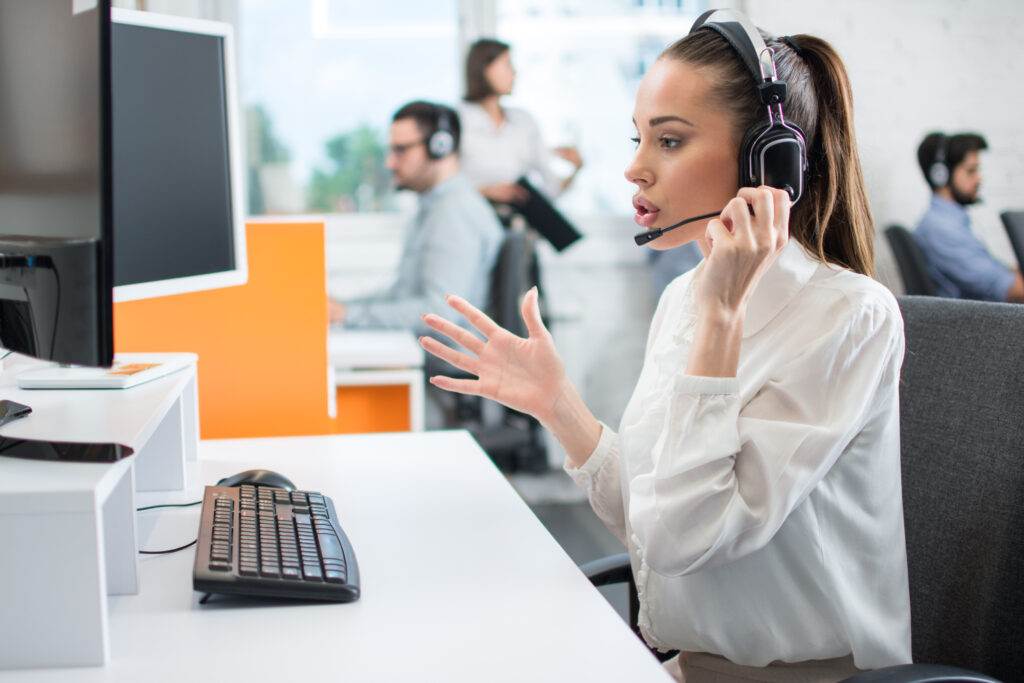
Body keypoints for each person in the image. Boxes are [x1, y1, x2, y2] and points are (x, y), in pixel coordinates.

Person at [417, 11, 912, 683]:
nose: (635, 169)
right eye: (638, 138)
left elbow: (688, 538)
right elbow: (651, 527)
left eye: (670, 141)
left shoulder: (849, 318)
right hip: (686, 666)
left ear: (768, 160)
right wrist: (559, 404)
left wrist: (721, 322)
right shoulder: (686, 298)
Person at [329, 101, 503, 335]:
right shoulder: (433, 207)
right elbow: (403, 294)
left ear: (440, 146)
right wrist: (342, 307)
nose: (390, 162)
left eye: (401, 150)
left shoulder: (454, 213)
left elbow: (440, 313)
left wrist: (347, 315)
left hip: (446, 364)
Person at [458, 38, 583, 206]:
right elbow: (439, 185)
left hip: (518, 223)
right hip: (472, 218)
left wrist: (576, 169)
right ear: (485, 69)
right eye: (507, 64)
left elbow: (551, 189)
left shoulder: (524, 121)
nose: (514, 73)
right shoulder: (456, 119)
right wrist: (484, 191)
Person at [912, 132, 1024, 302]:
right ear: (941, 175)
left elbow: (998, 273)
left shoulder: (951, 223)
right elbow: (1008, 289)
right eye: (971, 171)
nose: (979, 178)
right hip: (978, 323)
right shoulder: (941, 230)